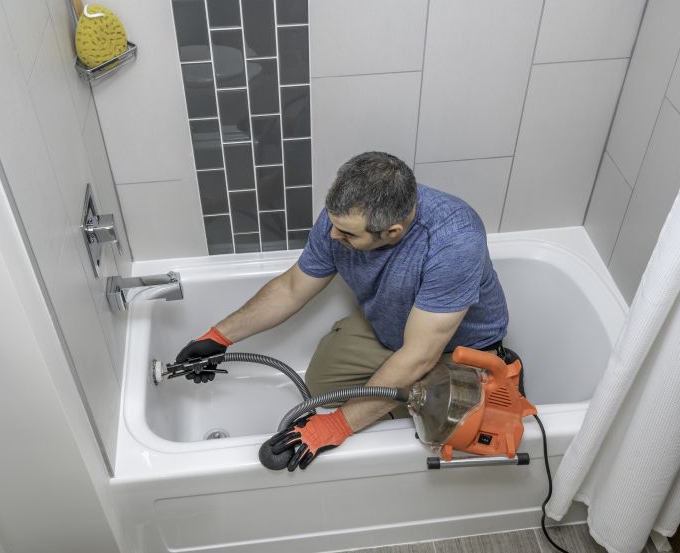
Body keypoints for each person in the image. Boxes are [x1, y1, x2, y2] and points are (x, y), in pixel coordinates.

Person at [176, 151, 509, 471]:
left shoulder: (454, 243)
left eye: (347, 234)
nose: (332, 236)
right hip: (389, 327)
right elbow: (292, 287)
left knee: (434, 425)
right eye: (334, 225)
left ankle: (484, 388)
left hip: (455, 350)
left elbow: (420, 355)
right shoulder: (344, 215)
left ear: (391, 232)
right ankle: (389, 395)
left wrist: (336, 426)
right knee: (320, 388)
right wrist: (219, 337)